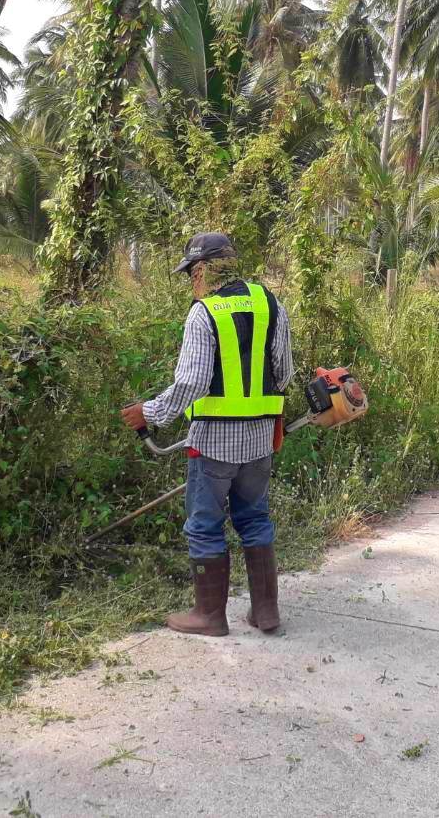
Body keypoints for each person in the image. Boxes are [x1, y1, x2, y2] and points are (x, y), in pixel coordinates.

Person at [120, 232, 294, 637]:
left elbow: (192, 383)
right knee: (254, 518)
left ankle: (210, 615)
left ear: (201, 270)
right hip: (259, 440)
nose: (190, 282)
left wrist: (149, 412)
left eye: (190, 274)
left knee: (204, 524)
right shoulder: (269, 302)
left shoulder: (204, 314)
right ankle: (266, 612)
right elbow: (283, 372)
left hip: (214, 443)